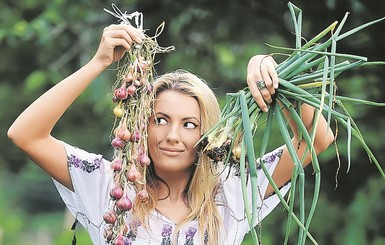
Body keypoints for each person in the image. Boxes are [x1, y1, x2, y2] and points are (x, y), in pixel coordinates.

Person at [8, 24, 334, 244]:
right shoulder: (108, 184)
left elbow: (316, 139)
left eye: (189, 124)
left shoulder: (234, 189)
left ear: (208, 134)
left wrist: (270, 69)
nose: (172, 136)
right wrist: (98, 62)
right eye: (160, 120)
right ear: (141, 125)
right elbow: (26, 135)